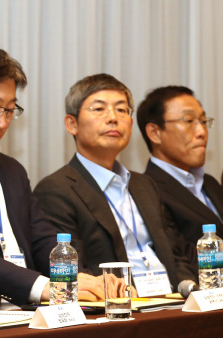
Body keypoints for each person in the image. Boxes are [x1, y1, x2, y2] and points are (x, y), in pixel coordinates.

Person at [0, 44, 104, 311]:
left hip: (31, 310)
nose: (2, 122)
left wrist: (74, 276)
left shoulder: (12, 169)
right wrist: (42, 287)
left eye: (10, 110)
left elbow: (41, 237)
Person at [33, 74, 195, 292]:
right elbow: (74, 272)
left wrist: (190, 288)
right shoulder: (56, 189)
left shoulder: (145, 185)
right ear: (72, 124)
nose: (113, 118)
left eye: (122, 110)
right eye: (99, 109)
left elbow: (175, 254)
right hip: (119, 309)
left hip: (170, 302)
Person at [138, 86, 223, 246]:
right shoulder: (148, 191)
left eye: (204, 122)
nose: (202, 132)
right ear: (155, 133)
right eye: (189, 121)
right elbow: (178, 256)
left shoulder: (209, 183)